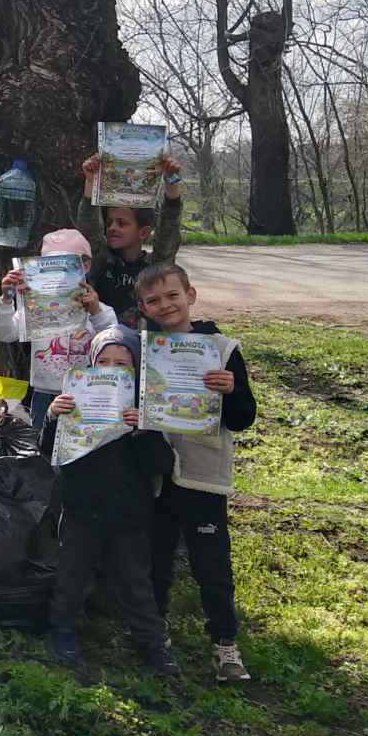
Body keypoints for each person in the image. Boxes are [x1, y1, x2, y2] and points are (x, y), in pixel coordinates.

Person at [135, 263, 257, 682]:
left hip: (204, 476)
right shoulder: (145, 351)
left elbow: (243, 418)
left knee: (212, 564)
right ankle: (154, 636)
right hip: (157, 477)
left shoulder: (222, 350)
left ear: (191, 295)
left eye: (172, 295)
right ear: (142, 307)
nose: (165, 305)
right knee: (157, 559)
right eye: (154, 300)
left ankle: (225, 644)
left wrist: (231, 390)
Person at [42, 327, 179, 676]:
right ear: (91, 363)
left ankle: (151, 642)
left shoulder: (146, 410)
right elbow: (49, 452)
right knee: (71, 576)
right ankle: (63, 632)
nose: (113, 369)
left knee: (135, 581)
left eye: (123, 363)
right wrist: (53, 418)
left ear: (137, 369)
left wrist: (143, 431)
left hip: (129, 514)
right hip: (80, 508)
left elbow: (162, 464)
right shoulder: (73, 400)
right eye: (103, 361)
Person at [0, 227, 117, 444]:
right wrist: (6, 299)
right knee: (43, 448)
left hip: (87, 394)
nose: (58, 275)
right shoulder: (33, 310)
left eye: (66, 266)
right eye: (48, 267)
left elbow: (112, 339)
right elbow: (4, 334)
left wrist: (95, 311)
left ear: (85, 266)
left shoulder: (100, 310)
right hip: (44, 395)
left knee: (83, 449)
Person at [77, 154, 184, 326]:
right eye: (110, 222)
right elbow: (89, 228)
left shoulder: (155, 267)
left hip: (145, 346)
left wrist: (172, 181)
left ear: (143, 233)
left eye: (122, 223)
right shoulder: (101, 260)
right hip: (106, 347)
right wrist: (91, 182)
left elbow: (168, 232)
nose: (112, 228)